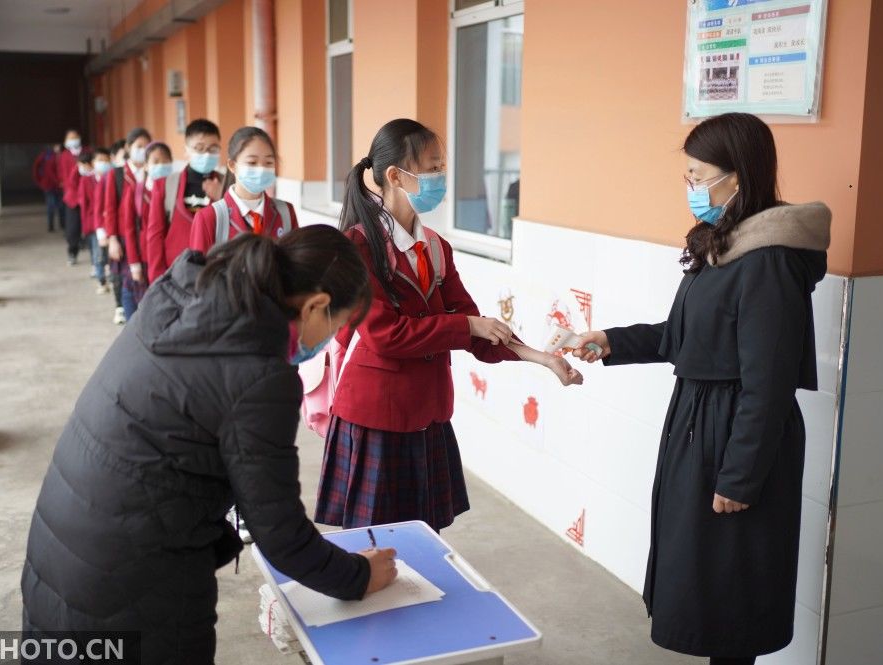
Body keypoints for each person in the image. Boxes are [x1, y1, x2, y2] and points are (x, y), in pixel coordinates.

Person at [21, 226, 398, 664]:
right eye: (337, 324)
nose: (331, 339)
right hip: (131, 591)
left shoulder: (180, 297)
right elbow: (281, 535)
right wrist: (359, 575)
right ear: (316, 305)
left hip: (62, 556)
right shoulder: (259, 376)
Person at [571, 113, 831, 665]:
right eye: (687, 176)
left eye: (699, 175)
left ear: (739, 176)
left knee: (732, 592)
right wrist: (611, 340)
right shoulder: (728, 244)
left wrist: (739, 477)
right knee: (708, 584)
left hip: (737, 435)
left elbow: (768, 385)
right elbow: (681, 336)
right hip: (701, 425)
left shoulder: (769, 261)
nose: (691, 188)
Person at [315, 118, 582, 532]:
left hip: (427, 416)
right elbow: (387, 336)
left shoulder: (436, 248)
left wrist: (541, 358)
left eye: (442, 167)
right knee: (374, 546)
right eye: (432, 167)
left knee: (424, 542)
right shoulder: (358, 248)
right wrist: (467, 328)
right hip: (376, 418)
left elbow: (475, 326)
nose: (441, 177)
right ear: (395, 175)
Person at [189, 126, 298, 253]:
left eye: (269, 162)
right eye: (252, 162)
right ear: (232, 165)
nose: (261, 169)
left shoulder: (286, 213)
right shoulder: (209, 217)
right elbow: (197, 270)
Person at [146, 119, 228, 283]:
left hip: (215, 275)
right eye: (199, 148)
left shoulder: (228, 185)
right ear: (186, 150)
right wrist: (157, 278)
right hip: (175, 274)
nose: (206, 154)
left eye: (213, 149)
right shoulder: (165, 185)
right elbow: (155, 234)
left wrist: (223, 197)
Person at [103, 127, 151, 325]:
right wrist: (112, 238)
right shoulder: (117, 175)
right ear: (128, 148)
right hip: (124, 236)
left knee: (145, 279)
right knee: (127, 281)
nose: (143, 150)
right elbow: (110, 208)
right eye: (139, 146)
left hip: (146, 236)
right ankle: (127, 316)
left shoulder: (152, 171)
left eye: (146, 146)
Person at [120, 142, 173, 319]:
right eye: (156, 161)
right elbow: (129, 229)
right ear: (147, 165)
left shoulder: (175, 189)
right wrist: (134, 264)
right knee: (142, 305)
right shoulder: (137, 190)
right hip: (144, 259)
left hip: (170, 259)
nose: (161, 165)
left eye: (165, 161)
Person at [58, 129, 87, 265]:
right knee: (73, 227)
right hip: (72, 197)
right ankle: (72, 251)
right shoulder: (64, 156)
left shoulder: (87, 152)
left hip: (88, 195)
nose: (73, 140)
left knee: (90, 226)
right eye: (70, 138)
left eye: (75, 137)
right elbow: (63, 175)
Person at [88, 147, 113, 294]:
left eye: (106, 160)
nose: (103, 163)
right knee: (98, 254)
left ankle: (107, 276)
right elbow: (96, 207)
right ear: (93, 162)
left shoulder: (111, 177)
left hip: (109, 223)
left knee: (108, 254)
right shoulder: (91, 180)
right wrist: (99, 229)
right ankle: (101, 280)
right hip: (98, 225)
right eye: (99, 160)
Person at [32, 143, 63, 232]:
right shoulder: (46, 156)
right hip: (50, 185)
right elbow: (37, 168)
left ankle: (62, 224)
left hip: (58, 186)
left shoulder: (60, 155)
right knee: (51, 206)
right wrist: (39, 181)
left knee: (60, 206)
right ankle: (51, 226)